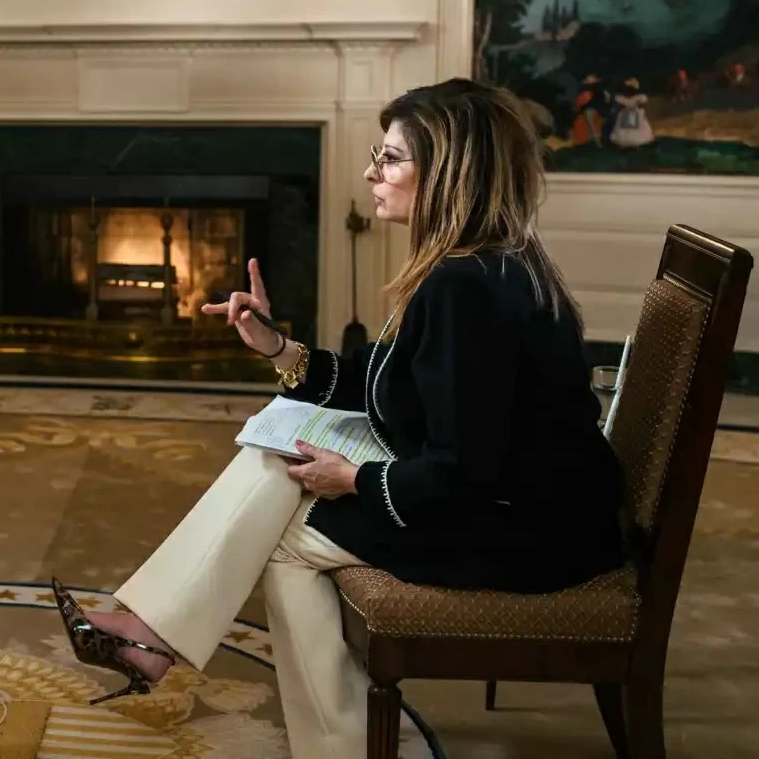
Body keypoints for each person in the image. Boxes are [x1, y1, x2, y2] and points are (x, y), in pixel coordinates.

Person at [51, 78, 627, 758]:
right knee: (277, 458)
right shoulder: (486, 263)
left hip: (527, 533)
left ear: (447, 173)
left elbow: (462, 472)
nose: (371, 173)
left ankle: (284, 715)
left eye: (390, 158)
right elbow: (390, 379)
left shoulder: (464, 289)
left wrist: (354, 480)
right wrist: (278, 347)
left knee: (285, 541)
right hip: (537, 506)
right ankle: (153, 638)